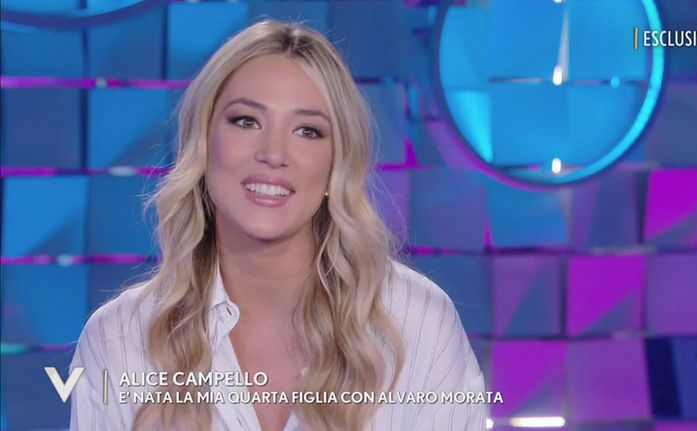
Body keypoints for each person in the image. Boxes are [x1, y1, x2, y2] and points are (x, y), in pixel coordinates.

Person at [69, 19, 486, 431]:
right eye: (246, 121)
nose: (273, 153)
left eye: (308, 130)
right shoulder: (118, 338)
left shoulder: (416, 322)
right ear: (204, 143)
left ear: (335, 166)